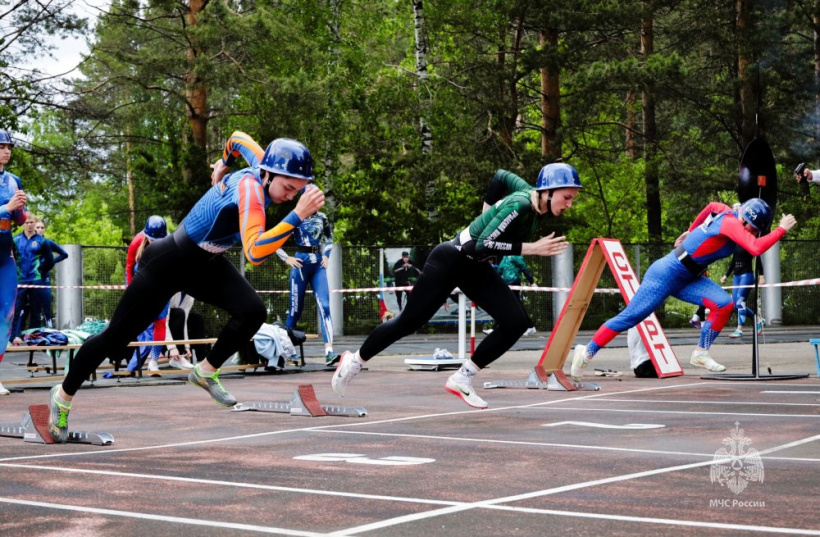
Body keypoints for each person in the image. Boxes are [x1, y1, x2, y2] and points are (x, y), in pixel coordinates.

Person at [46, 132, 324, 442]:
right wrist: (298, 215)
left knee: (252, 311)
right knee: (115, 338)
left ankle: (205, 371)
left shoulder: (262, 160)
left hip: (206, 262)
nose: (288, 196)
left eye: (297, 192)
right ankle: (63, 395)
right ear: (268, 173)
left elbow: (236, 138)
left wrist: (223, 165)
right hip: (168, 263)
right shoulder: (251, 191)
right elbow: (255, 252)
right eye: (287, 189)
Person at [332, 163, 581, 409]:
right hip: (450, 260)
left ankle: (462, 378)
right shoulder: (520, 205)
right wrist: (531, 248)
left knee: (515, 322)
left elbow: (500, 175)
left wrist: (486, 213)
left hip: (475, 267)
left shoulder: (532, 197)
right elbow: (479, 245)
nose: (569, 204)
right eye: (567, 197)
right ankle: (353, 361)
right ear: (547, 191)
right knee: (408, 322)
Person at [570, 198, 796, 379]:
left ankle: (700, 353)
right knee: (631, 317)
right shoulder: (731, 223)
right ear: (747, 221)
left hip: (689, 276)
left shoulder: (726, 212)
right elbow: (755, 248)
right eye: (755, 229)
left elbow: (711, 206)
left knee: (724, 304)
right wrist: (781, 230)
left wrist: (691, 230)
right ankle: (586, 351)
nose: (754, 234)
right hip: (666, 274)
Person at [275, 211, 339, 366]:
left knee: (324, 305)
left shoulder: (322, 216)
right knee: (295, 309)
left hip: (318, 265)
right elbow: (273, 240)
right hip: (300, 265)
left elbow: (329, 237)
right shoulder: (295, 216)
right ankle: (290, 352)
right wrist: (286, 258)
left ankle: (329, 352)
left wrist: (327, 255)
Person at [124, 215, 181, 374]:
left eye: (158, 240)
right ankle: (135, 361)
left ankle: (154, 360)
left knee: (160, 323)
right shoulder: (138, 241)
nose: (155, 243)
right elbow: (129, 267)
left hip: (162, 286)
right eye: (152, 240)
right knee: (142, 324)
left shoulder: (171, 242)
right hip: (142, 285)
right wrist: (130, 292)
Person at [0, 130, 27, 395]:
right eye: (1, 146)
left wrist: (21, 210)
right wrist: (6, 207)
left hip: (4, 255)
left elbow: (18, 219)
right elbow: (6, 209)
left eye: (8, 146)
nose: (6, 151)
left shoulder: (13, 180)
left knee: (7, 315)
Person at [11, 213, 53, 342]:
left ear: (35, 223)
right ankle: (12, 338)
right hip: (20, 280)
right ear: (23, 224)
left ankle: (33, 338)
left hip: (36, 280)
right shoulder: (15, 240)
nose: (29, 225)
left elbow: (50, 261)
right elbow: (10, 259)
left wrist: (41, 271)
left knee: (36, 310)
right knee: (16, 309)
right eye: (27, 223)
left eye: (31, 223)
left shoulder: (42, 241)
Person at [720, 241, 765, 339]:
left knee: (740, 301)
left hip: (747, 276)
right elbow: (733, 261)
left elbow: (758, 260)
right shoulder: (735, 243)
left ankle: (739, 329)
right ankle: (757, 319)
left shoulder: (749, 243)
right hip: (737, 277)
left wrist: (761, 276)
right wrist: (725, 275)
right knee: (736, 304)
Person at [484, 255, 537, 336]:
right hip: (506, 284)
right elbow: (500, 270)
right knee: (506, 305)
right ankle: (496, 328)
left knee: (514, 304)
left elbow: (524, 268)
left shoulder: (516, 256)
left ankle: (530, 326)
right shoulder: (505, 257)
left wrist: (532, 282)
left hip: (514, 282)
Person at [34, 219, 68, 328]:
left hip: (44, 278)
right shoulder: (26, 242)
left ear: (44, 229)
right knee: (32, 307)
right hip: (30, 279)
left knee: (47, 306)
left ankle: (49, 331)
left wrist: (51, 262)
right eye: (37, 227)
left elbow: (64, 254)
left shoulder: (48, 242)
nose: (39, 230)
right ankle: (29, 333)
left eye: (42, 227)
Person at [166, 292, 209, 366]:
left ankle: (202, 359)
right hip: (161, 327)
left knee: (196, 317)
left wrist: (187, 346)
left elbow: (184, 321)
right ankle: (177, 356)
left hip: (178, 322)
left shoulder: (190, 296)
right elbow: (164, 322)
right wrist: (172, 347)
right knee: (179, 313)